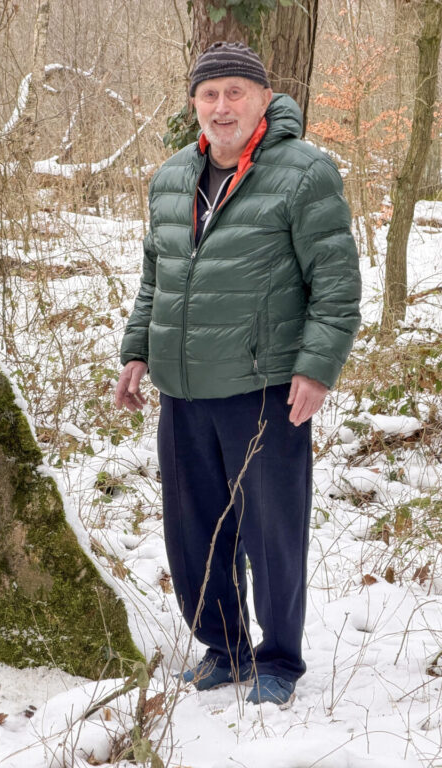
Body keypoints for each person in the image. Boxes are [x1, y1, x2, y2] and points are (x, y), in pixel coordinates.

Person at [114, 43, 361, 706]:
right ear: (194, 103)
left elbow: (335, 283)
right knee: (193, 529)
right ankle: (224, 647)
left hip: (264, 386)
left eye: (234, 93)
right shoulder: (170, 178)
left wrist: (316, 367)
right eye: (209, 94)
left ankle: (278, 658)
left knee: (270, 529)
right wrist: (137, 352)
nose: (221, 107)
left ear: (261, 97)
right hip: (184, 389)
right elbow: (154, 279)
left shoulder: (304, 173)